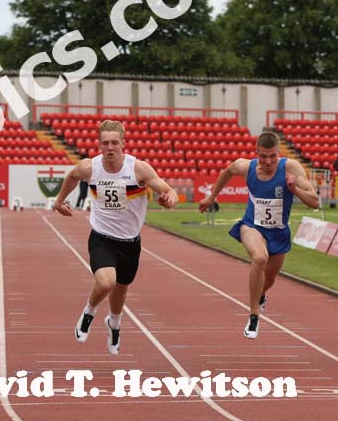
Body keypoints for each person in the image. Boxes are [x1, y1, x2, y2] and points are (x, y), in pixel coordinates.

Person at [53, 120, 178, 355]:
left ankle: (114, 324)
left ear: (123, 144)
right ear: (99, 145)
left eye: (114, 143)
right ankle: (88, 313)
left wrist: (170, 198)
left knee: (121, 290)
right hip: (102, 237)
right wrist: (59, 202)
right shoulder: (90, 168)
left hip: (130, 242)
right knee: (106, 282)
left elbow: (168, 190)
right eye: (104, 143)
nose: (109, 148)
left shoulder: (138, 169)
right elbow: (72, 177)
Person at [198, 131, 318, 339]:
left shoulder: (291, 168)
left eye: (272, 156)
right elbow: (227, 171)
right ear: (256, 153)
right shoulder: (246, 167)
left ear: (278, 153)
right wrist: (211, 197)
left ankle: (261, 295)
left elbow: (315, 202)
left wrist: (294, 189)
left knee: (269, 278)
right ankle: (254, 316)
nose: (268, 161)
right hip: (252, 225)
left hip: (279, 231)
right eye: (263, 156)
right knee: (259, 258)